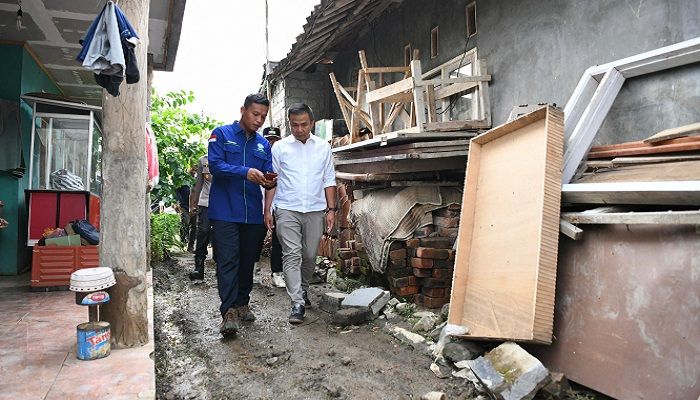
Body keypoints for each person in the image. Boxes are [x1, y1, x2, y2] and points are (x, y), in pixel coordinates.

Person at [208, 93, 276, 336]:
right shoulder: (222, 134)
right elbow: (215, 166)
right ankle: (228, 311)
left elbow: (268, 173)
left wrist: (270, 181)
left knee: (248, 261)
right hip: (225, 211)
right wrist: (245, 172)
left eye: (263, 116)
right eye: (255, 114)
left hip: (252, 215)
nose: (259, 120)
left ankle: (242, 302)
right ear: (243, 110)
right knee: (227, 261)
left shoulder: (263, 144)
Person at [264, 103, 336, 324]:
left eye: (304, 124)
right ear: (289, 124)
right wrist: (268, 209)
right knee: (291, 254)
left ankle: (303, 289)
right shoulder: (280, 148)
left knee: (310, 255)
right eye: (294, 125)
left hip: (315, 209)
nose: (299, 129)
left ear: (311, 123)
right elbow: (271, 180)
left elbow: (329, 179)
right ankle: (297, 302)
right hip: (286, 208)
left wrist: (331, 209)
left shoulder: (323, 147)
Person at [261, 127, 285, 288]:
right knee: (255, 237)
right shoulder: (257, 157)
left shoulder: (283, 157)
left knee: (279, 238)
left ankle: (277, 272)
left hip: (278, 203)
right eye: (268, 140)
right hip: (257, 204)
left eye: (274, 140)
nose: (271, 143)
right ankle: (252, 264)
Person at [188, 154, 212, 282]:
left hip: (223, 203)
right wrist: (194, 204)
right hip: (205, 202)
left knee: (221, 236)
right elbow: (199, 184)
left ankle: (223, 270)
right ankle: (199, 268)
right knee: (203, 232)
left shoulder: (228, 156)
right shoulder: (203, 160)